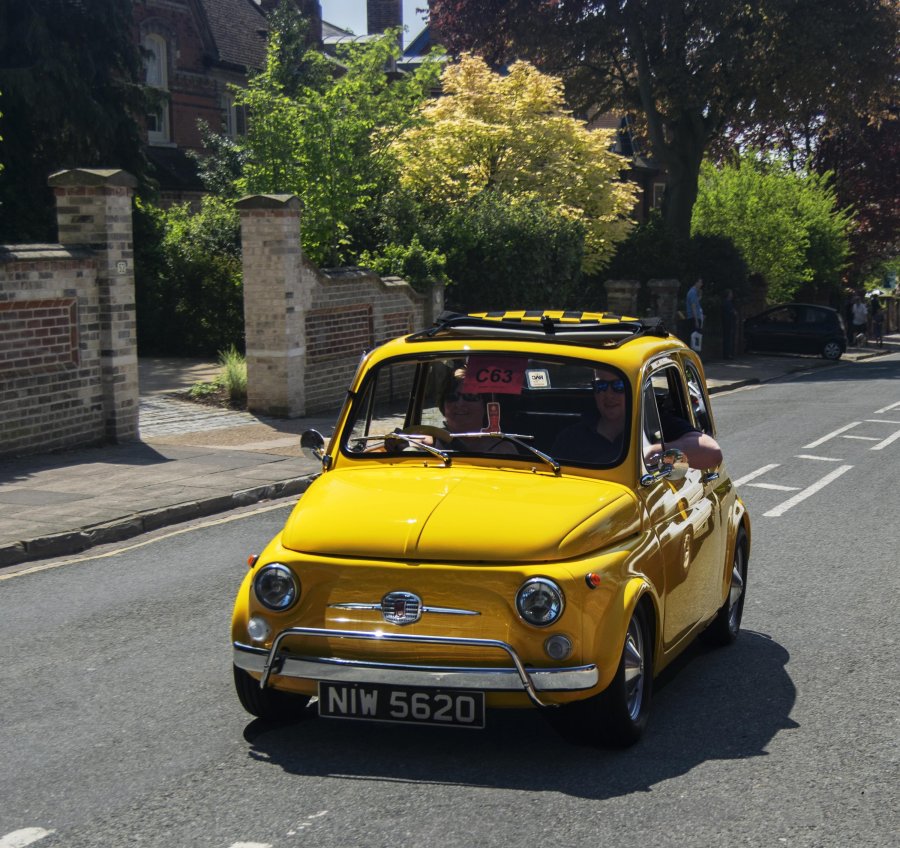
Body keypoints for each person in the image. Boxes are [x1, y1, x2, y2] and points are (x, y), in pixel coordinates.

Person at [552, 368, 723, 469]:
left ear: (635, 390)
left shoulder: (657, 424)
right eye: (601, 386)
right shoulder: (572, 437)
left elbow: (712, 453)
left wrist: (657, 451)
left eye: (619, 386)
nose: (609, 394)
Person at [721, 288, 737, 359]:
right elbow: (731, 312)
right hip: (728, 322)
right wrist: (734, 312)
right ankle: (727, 354)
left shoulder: (727, 302)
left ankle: (727, 354)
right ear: (728, 295)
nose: (732, 295)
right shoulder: (727, 303)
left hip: (727, 322)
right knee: (728, 338)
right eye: (731, 293)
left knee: (728, 338)